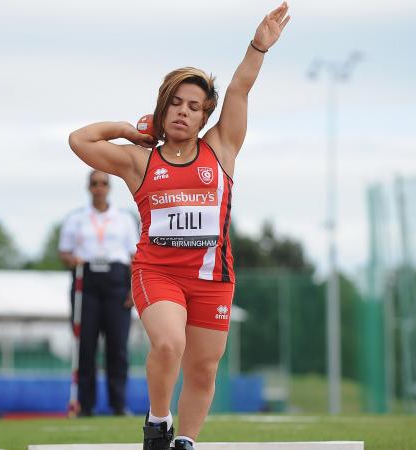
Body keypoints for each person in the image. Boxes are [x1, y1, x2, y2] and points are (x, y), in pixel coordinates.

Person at [68, 3, 290, 448]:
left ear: (206, 116)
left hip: (212, 278)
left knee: (204, 369)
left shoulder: (221, 149)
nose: (183, 112)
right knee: (169, 344)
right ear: (162, 108)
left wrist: (258, 46)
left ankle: (185, 441)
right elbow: (80, 141)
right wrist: (130, 131)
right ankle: (157, 422)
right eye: (175, 103)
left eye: (194, 106)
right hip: (158, 272)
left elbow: (241, 89)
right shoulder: (140, 162)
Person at [59, 170, 139, 417]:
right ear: (88, 187)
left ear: (109, 187)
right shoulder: (76, 219)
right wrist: (72, 259)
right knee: (85, 347)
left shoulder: (124, 219)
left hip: (116, 282)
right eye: (94, 184)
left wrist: (133, 288)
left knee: (118, 347)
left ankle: (118, 405)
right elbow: (64, 252)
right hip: (87, 282)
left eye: (103, 183)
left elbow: (134, 257)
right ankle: (85, 405)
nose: (99, 188)